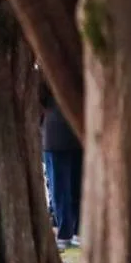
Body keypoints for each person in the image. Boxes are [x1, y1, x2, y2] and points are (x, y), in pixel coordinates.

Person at [39, 79, 82, 250]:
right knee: (74, 187)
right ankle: (76, 231)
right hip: (76, 134)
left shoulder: (47, 74)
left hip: (55, 136)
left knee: (60, 188)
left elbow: (40, 97)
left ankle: (66, 233)